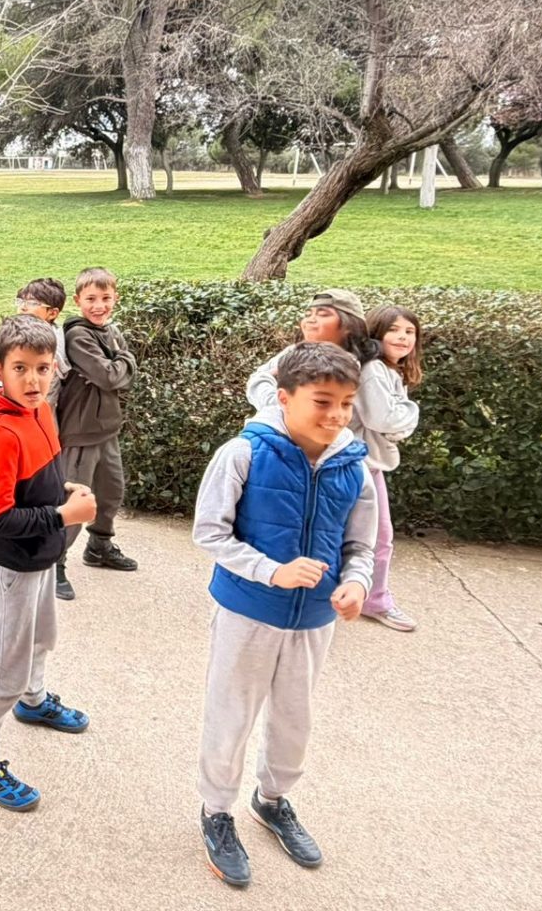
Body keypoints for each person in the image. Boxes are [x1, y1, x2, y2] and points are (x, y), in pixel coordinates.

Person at [194, 342, 377, 889]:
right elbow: (210, 532)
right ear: (283, 397)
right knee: (231, 714)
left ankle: (272, 800)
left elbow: (360, 546)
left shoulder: (355, 466)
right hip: (247, 612)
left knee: (295, 719)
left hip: (314, 620)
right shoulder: (244, 453)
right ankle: (217, 811)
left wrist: (356, 583)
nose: (336, 415)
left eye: (346, 403)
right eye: (322, 401)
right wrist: (271, 571)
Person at [0, 315, 96, 813]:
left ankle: (33, 701)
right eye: (20, 368)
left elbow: (33, 483)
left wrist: (63, 490)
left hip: (39, 556)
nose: (33, 379)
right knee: (4, 667)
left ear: (55, 368)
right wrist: (63, 515)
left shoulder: (41, 412)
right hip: (10, 566)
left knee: (41, 639)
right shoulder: (1, 432)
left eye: (42, 367)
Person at [56, 267, 140, 597]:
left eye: (106, 298)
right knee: (77, 499)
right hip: (81, 432)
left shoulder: (110, 331)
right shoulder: (78, 336)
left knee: (111, 493)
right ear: (78, 300)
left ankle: (99, 546)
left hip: (107, 429)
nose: (99, 305)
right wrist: (125, 358)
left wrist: (119, 365)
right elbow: (109, 377)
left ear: (115, 298)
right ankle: (54, 562)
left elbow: (119, 377)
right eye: (91, 299)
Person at [357, 306, 425, 632]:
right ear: (376, 334)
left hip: (368, 463)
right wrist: (412, 413)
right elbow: (383, 420)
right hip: (359, 465)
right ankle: (374, 600)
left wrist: (399, 423)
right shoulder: (374, 370)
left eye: (409, 332)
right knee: (378, 536)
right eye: (393, 330)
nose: (402, 337)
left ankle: (365, 596)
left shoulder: (389, 371)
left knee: (370, 536)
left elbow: (391, 423)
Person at [246, 289, 380, 413]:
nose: (310, 320)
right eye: (308, 314)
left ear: (349, 326)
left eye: (323, 315)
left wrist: (262, 379)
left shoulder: (351, 366)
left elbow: (290, 410)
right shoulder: (293, 351)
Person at [14, 277, 68, 400]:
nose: (23, 307)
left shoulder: (49, 343)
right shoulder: (18, 333)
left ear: (52, 313)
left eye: (32, 303)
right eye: (21, 301)